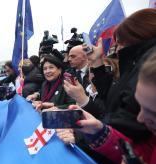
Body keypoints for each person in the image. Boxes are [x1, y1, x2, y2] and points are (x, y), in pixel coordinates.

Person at [63, 8, 156, 141]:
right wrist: (97, 63)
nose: (117, 50)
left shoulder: (147, 69)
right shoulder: (134, 65)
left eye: (119, 43)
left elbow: (127, 123)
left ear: (135, 38)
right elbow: (109, 99)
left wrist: (82, 134)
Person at [58, 50, 156, 164]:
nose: (140, 118)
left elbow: (104, 111)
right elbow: (136, 152)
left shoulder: (112, 94)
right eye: (139, 106)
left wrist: (82, 99)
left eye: (153, 113)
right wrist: (99, 133)